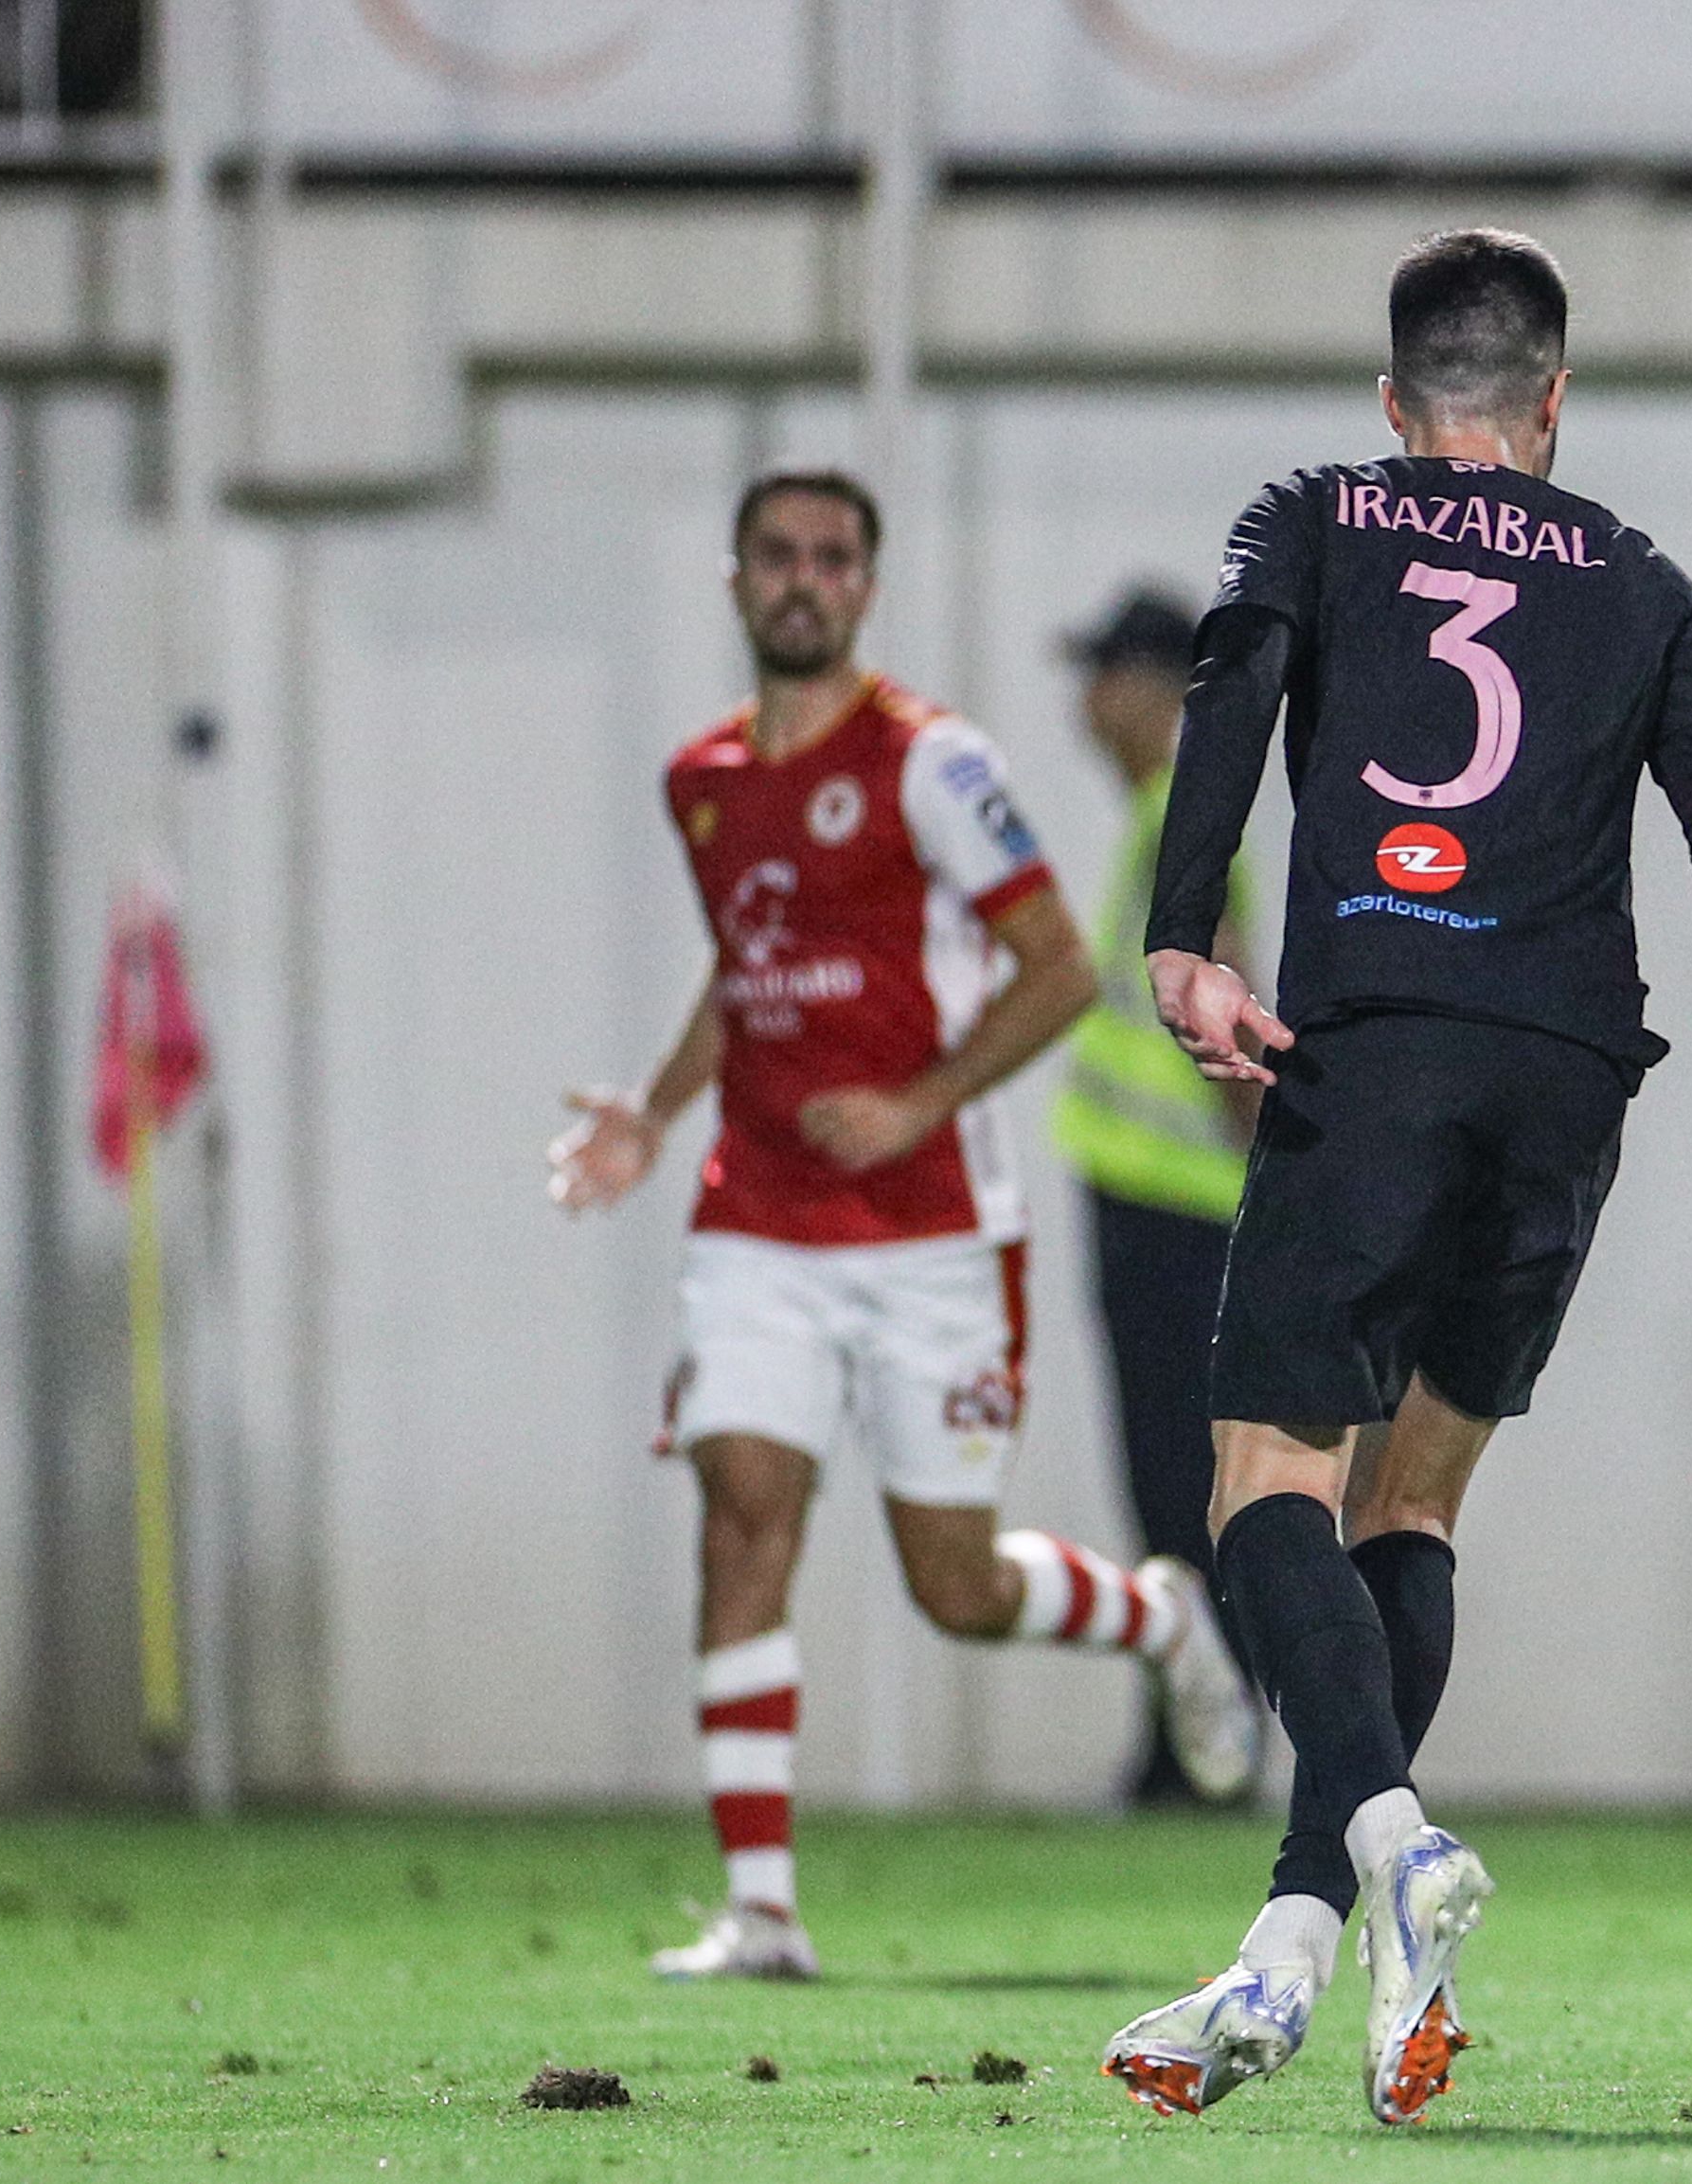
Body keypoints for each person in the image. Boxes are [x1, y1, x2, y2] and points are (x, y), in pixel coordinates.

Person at [1101, 230, 1692, 2127]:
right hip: (1570, 1069)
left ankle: (1395, 1833)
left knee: (1265, 1468)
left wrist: (1185, 935)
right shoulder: (1652, 583)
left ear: (1393, 401)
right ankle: (1294, 1939)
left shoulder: (1317, 512)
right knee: (1407, 1504)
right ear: (1555, 403)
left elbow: (1232, 690)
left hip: (1383, 1024)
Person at [548, 468, 1257, 1982]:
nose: (803, 579)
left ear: (863, 585)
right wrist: (656, 1112)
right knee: (744, 1511)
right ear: (737, 580)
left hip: (932, 1222)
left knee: (956, 1584)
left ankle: (1160, 1616)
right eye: (777, 555)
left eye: (833, 557)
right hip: (759, 1212)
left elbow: (1060, 968)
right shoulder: (700, 780)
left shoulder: (933, 763)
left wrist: (919, 1101)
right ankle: (761, 1908)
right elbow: (745, 976)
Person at [1053, 584, 1268, 1807]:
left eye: (1103, 673)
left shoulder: (1188, 812)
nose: (1086, 702)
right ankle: (1187, 1739)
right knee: (1167, 1481)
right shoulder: (1162, 813)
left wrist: (1264, 1170)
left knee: (1179, 1480)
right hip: (1159, 1200)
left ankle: (1203, 1747)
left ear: (1157, 685)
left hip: (1177, 1205)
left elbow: (1224, 991)